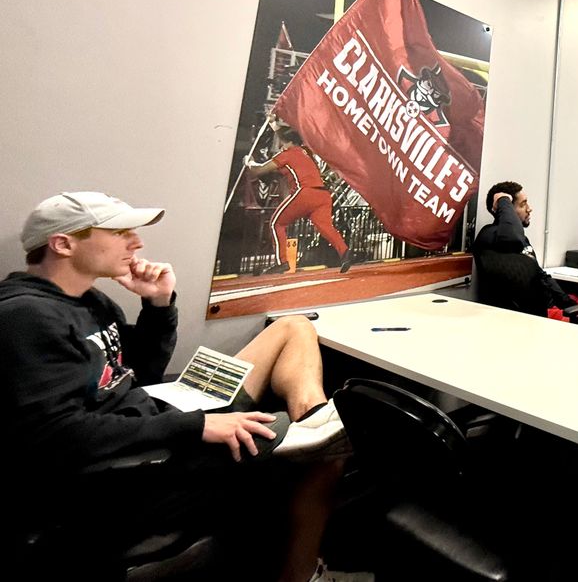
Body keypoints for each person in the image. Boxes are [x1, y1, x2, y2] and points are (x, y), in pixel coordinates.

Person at [1, 191, 366, 582]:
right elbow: (58, 434)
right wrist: (198, 426)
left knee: (293, 327)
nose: (136, 243)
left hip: (152, 413)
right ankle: (301, 574)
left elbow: (141, 373)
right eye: (121, 232)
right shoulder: (25, 316)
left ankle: (313, 417)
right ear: (63, 243)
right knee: (323, 453)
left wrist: (158, 305)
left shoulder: (89, 301)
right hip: (122, 467)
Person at [471, 181, 578, 330]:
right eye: (523, 204)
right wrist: (504, 200)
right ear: (507, 210)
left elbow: (541, 275)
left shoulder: (521, 240)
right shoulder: (490, 235)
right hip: (534, 317)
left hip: (548, 307)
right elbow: (512, 238)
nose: (529, 209)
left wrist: (568, 303)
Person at [244, 128, 353, 275]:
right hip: (322, 195)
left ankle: (282, 262)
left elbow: (260, 170)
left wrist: (249, 163)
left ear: (290, 143)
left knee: (277, 223)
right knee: (326, 227)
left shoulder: (287, 154)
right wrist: (274, 123)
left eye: (282, 143)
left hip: (305, 192)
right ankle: (345, 252)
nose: (281, 147)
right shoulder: (306, 152)